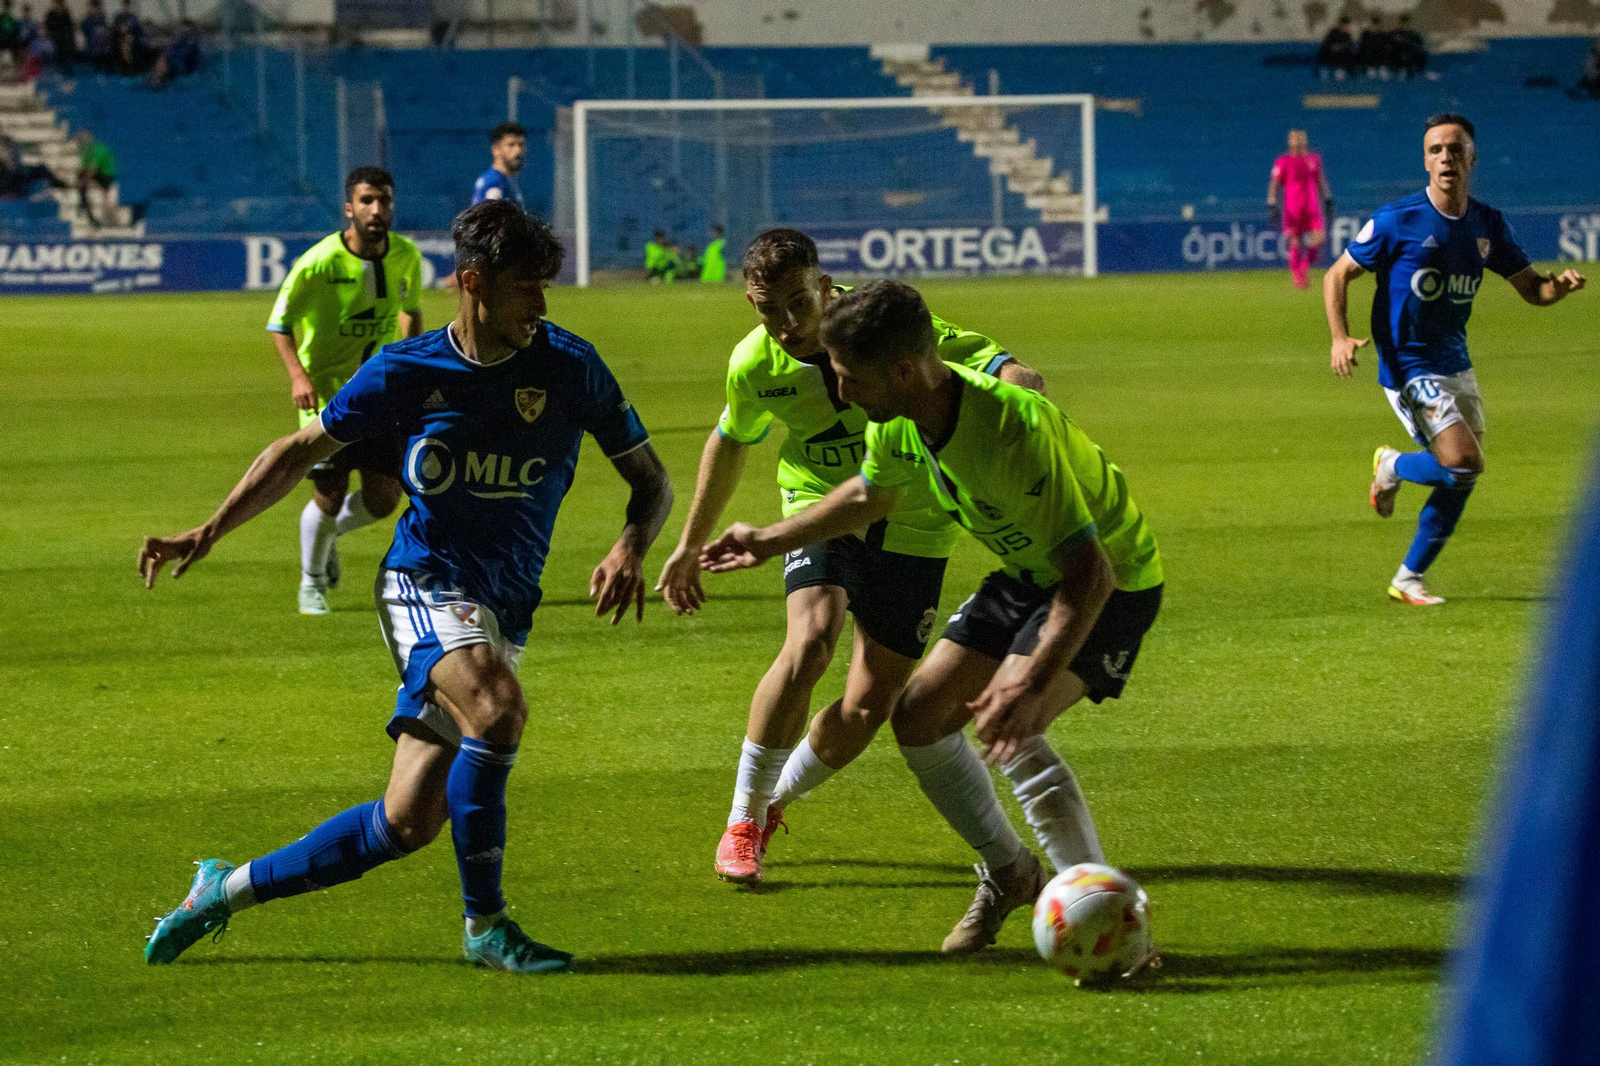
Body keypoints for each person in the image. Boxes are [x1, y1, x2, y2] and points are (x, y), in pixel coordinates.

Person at [138, 200, 674, 973]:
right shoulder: (406, 370)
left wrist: (631, 545)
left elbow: (651, 483)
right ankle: (486, 926)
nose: (543, 306)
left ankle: (223, 890)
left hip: (504, 606)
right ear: (472, 283)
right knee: (496, 708)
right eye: (527, 289)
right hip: (422, 582)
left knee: (406, 823)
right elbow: (299, 450)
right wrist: (209, 529)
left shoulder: (570, 366)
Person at [701, 280, 1163, 956]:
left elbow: (1088, 573)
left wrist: (1030, 683)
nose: (840, 392)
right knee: (918, 716)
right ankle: (1009, 874)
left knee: (1013, 723)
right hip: (1028, 573)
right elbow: (869, 495)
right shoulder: (898, 419)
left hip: (1111, 583)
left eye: (849, 377)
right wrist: (768, 539)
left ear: (902, 370)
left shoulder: (1009, 432)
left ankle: (1113, 929)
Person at [657, 228, 1045, 887]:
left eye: (795, 304)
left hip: (915, 518)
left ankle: (776, 800)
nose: (783, 325)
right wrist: (690, 543)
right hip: (821, 504)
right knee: (810, 644)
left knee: (868, 707)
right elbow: (729, 441)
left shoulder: (878, 327)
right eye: (765, 309)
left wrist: (1025, 402)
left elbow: (1001, 365)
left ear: (824, 285)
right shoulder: (755, 366)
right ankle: (743, 819)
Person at [1324, 113, 1586, 606]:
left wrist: (1559, 288)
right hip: (1407, 366)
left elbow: (1532, 288)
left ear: (1471, 158)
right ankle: (1396, 468)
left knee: (1461, 474)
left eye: (1455, 148)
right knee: (1464, 461)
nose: (1446, 157)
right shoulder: (1395, 220)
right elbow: (1337, 274)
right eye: (1436, 149)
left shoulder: (1488, 224)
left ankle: (1407, 577)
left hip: (1455, 362)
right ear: (1426, 161)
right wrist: (1340, 336)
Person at [266, 167, 424, 615]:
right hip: (327, 396)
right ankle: (310, 583)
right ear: (349, 207)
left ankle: (327, 534)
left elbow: (411, 311)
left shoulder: (406, 256)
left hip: (380, 393)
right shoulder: (319, 262)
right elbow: (279, 324)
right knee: (329, 493)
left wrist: (412, 360)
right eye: (368, 200)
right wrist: (298, 376)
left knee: (383, 500)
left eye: (385, 201)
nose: (377, 210)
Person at [1266, 129, 1334, 289]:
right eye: (1294, 138)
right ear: (1289, 141)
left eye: (1300, 137)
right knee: (1295, 241)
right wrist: (1271, 204)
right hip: (1293, 207)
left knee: (1319, 239)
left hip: (1312, 206)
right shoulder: (1283, 161)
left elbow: (1320, 180)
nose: (1297, 140)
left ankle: (1302, 269)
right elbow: (1274, 184)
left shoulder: (1313, 159)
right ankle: (1297, 277)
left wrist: (1328, 199)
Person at [472, 121, 524, 207]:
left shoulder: (506, 181)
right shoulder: (494, 183)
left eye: (521, 145)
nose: (518, 151)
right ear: (496, 149)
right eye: (511, 145)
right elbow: (490, 217)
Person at [73, 128, 115, 228]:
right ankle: (83, 204)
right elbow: (82, 169)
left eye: (85, 138)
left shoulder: (99, 149)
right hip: (96, 175)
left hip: (106, 175)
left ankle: (102, 217)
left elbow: (93, 169)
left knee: (84, 179)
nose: (83, 141)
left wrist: (84, 182)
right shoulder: (86, 151)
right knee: (81, 176)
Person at [79, 0, 109, 72]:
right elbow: (83, 29)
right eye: (93, 8)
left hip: (101, 45)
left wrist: (101, 30)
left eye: (96, 8)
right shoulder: (88, 18)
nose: (95, 10)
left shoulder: (102, 17)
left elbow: (105, 29)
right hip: (92, 44)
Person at [42, 0, 71, 74]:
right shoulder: (51, 13)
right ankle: (56, 69)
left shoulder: (65, 13)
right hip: (54, 37)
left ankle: (65, 69)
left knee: (64, 52)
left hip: (64, 38)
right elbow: (47, 26)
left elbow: (69, 27)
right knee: (55, 52)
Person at [1358, 14, 1391, 78]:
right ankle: (1370, 67)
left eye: (1377, 25)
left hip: (1380, 61)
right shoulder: (1366, 35)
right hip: (1369, 62)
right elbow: (1362, 48)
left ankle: (1382, 67)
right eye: (1373, 25)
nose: (1375, 28)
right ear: (1370, 25)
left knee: (1385, 49)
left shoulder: (1383, 35)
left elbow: (1385, 49)